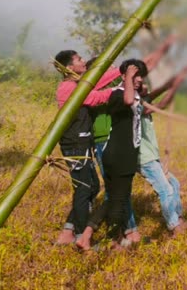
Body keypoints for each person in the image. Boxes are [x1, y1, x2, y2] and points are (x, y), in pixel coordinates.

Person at [51, 41, 167, 246]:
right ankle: (87, 235)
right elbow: (101, 97)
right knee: (93, 189)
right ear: (69, 67)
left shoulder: (81, 84)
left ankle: (73, 231)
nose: (83, 61)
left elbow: (113, 85)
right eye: (79, 59)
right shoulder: (76, 87)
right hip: (82, 142)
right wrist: (124, 87)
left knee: (94, 187)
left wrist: (131, 82)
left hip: (85, 141)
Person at [76, 59, 148, 251]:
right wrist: (129, 77)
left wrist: (138, 83)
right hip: (119, 154)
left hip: (124, 153)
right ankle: (104, 240)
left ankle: (93, 237)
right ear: (123, 76)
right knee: (118, 198)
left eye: (141, 75)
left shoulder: (135, 96)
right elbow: (127, 100)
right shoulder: (117, 94)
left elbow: (138, 103)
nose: (139, 79)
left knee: (116, 198)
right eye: (135, 75)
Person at [137, 61, 187, 234]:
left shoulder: (143, 101)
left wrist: (172, 83)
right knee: (165, 189)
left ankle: (178, 218)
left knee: (174, 183)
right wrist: (173, 89)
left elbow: (154, 94)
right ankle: (174, 226)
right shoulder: (137, 106)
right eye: (143, 86)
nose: (146, 87)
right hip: (144, 158)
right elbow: (161, 105)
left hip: (152, 156)